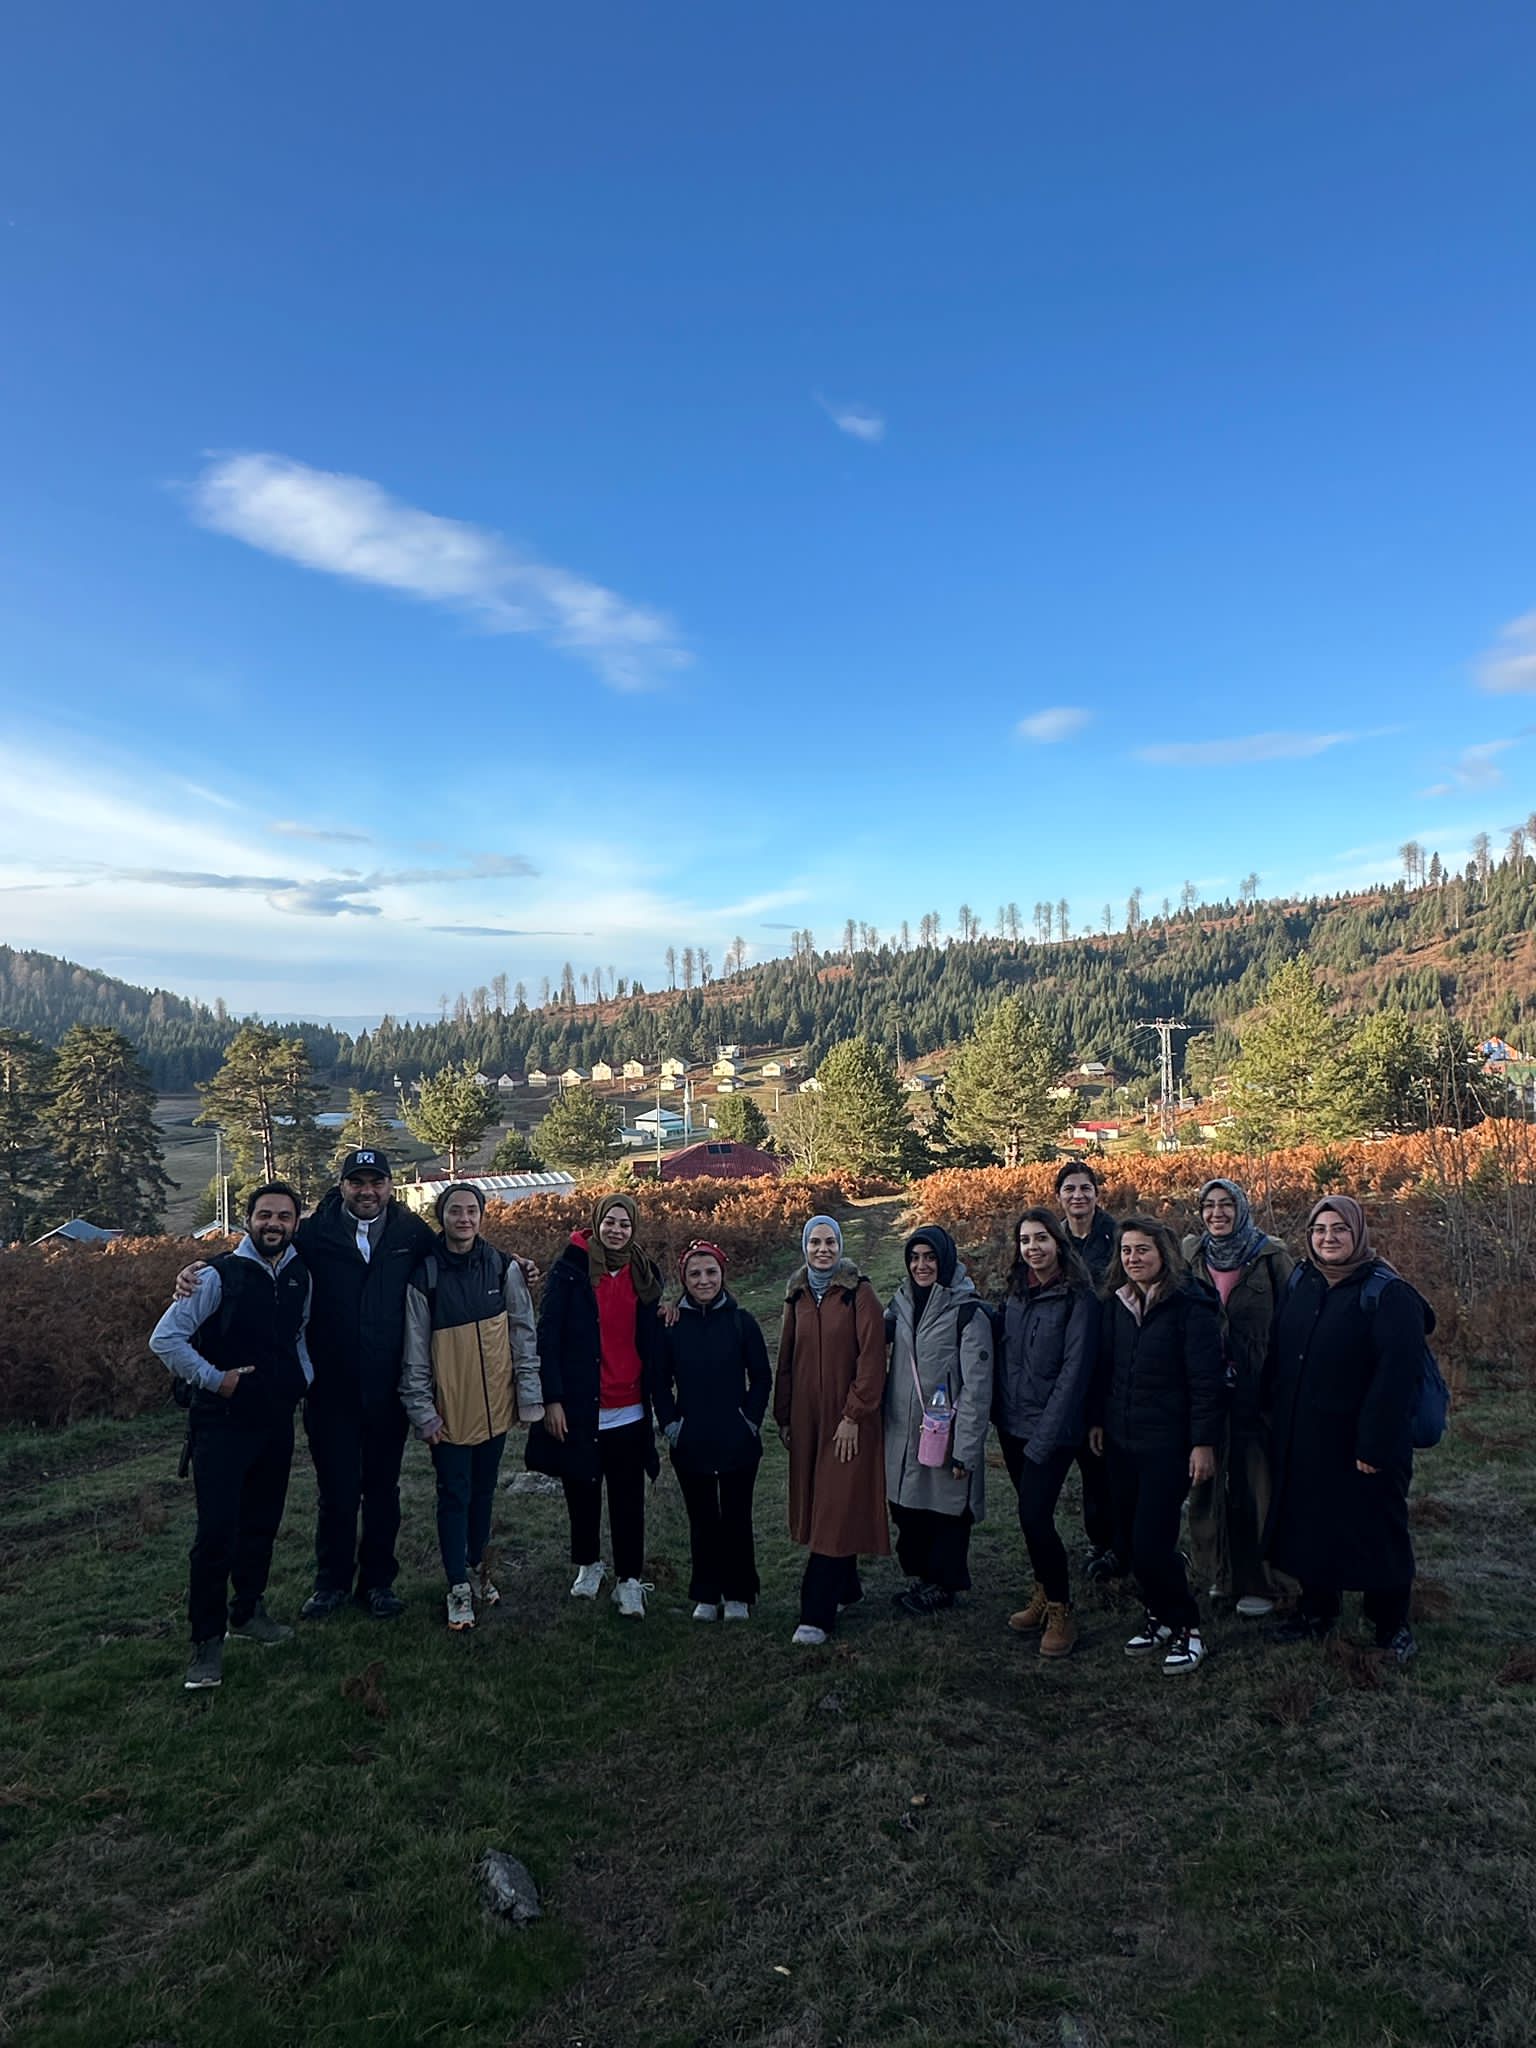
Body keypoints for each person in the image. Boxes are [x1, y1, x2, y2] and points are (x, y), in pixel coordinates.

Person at [150, 1183, 314, 1691]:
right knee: (216, 1534)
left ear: (295, 1223)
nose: (274, 1223)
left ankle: (248, 1612)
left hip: (273, 1420)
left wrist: (301, 1379)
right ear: (248, 1219)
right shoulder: (214, 1276)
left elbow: (298, 1336)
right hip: (220, 1426)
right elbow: (165, 1339)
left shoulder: (298, 1275)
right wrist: (217, 1380)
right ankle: (206, 1643)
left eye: (284, 1216)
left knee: (261, 1524)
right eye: (265, 1214)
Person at [1263, 1195, 1427, 1665]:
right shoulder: (1304, 1281)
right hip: (1306, 1437)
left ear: (1358, 1235)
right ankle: (1317, 1610)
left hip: (1365, 1444)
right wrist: (1267, 1408)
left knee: (1377, 1531)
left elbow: (1397, 1377)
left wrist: (1374, 1442)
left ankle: (1391, 1624)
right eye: (1319, 1230)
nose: (1328, 1238)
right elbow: (1280, 1350)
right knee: (1311, 1525)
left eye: (1339, 1229)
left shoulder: (1388, 1294)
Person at [400, 1183, 543, 1631]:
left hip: (497, 1407)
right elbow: (415, 1351)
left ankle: (479, 1567)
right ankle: (457, 1584)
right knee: (454, 1494)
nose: (464, 1218)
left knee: (483, 1492)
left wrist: (528, 1396)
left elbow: (523, 1331)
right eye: (455, 1211)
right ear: (441, 1217)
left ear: (482, 1216)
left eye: (472, 1211)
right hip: (450, 1410)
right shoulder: (425, 1275)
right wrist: (423, 1411)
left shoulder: (502, 1267)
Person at [1090, 1215, 1225, 1674]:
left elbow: (1206, 1382)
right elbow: (1106, 1369)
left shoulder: (1191, 1306)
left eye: (1143, 1250)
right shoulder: (1117, 1303)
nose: (1133, 1259)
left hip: (1169, 1445)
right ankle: (1158, 1616)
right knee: (1129, 1542)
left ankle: (1188, 1627)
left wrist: (1203, 1443)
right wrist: (1099, 1422)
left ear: (1164, 1253)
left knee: (1152, 1544)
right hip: (1122, 1440)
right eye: (1127, 1251)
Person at [525, 1192, 663, 1618]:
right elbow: (547, 1335)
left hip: (630, 1406)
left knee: (628, 1497)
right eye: (610, 1222)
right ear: (597, 1222)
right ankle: (589, 1564)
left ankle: (629, 1580)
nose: (617, 1230)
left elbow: (653, 1327)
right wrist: (552, 1399)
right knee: (581, 1489)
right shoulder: (571, 1268)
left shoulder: (644, 1272)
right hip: (582, 1405)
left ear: (633, 1228)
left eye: (625, 1224)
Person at [773, 1216, 890, 1646]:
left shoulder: (859, 1294)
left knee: (833, 1511)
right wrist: (783, 1416)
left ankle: (816, 1613)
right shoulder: (796, 1295)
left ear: (841, 1246)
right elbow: (785, 1360)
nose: (823, 1249)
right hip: (808, 1422)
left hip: (848, 1424)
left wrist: (853, 1416)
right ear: (804, 1247)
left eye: (830, 1242)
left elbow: (873, 1361)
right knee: (822, 1502)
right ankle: (848, 1588)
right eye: (815, 1242)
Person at [1182, 1178, 1294, 1618]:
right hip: (1207, 1391)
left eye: (1226, 1205)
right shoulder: (1192, 1257)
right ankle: (1222, 1576)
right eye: (1208, 1205)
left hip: (1257, 1391)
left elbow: (1292, 1322)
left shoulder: (1270, 1257)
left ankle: (1266, 1582)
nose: (1217, 1214)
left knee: (1256, 1487)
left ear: (1241, 1207)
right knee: (1207, 1487)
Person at [996, 1208, 1099, 1659]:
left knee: (1036, 1516)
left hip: (1052, 1431)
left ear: (1058, 1243)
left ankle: (1060, 1608)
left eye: (1041, 1239)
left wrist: (1044, 1436)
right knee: (1026, 1516)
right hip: (1013, 1425)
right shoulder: (1015, 1294)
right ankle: (1042, 1590)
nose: (1032, 1248)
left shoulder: (1079, 1298)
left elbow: (1075, 1374)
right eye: (1025, 1241)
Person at [654, 1240, 771, 1622]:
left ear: (722, 1274)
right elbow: (659, 1381)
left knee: (736, 1518)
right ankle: (706, 1592)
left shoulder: (742, 1322)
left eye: (710, 1273)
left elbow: (761, 1378)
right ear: (684, 1279)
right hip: (691, 1441)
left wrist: (750, 1421)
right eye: (695, 1274)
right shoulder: (671, 1326)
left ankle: (739, 1593)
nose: (703, 1280)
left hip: (737, 1439)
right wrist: (672, 1426)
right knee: (702, 1519)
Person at [882, 1226, 993, 1616]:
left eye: (930, 1257)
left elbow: (977, 1388)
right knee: (908, 1508)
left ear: (944, 1259)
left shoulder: (967, 1312)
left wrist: (965, 1450)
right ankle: (924, 1576)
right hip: (903, 1430)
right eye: (914, 1258)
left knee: (946, 1510)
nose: (921, 1265)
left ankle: (943, 1584)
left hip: (946, 1434)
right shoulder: (900, 1304)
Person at [1055, 1162, 1121, 1580]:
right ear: (1058, 1196)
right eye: (1069, 1189)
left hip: (1109, 1361)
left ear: (1097, 1194)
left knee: (1105, 1465)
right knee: (1080, 1459)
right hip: (1064, 1362)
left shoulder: (1115, 1239)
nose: (1078, 1196)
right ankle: (1101, 1541)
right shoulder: (1052, 1239)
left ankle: (1117, 1546)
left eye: (1085, 1188)